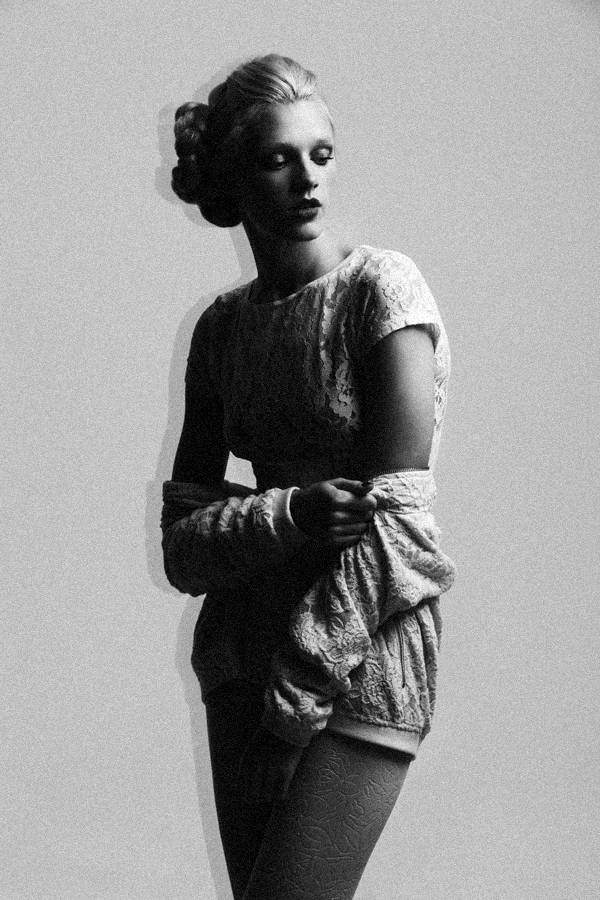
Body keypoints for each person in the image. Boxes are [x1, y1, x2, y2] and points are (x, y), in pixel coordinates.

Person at [161, 54, 456, 900]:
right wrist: (289, 516)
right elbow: (182, 549)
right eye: (277, 159)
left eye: (321, 154)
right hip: (239, 658)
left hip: (362, 656)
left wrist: (291, 716)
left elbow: (400, 531)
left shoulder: (381, 290)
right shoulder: (222, 332)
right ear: (233, 178)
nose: (307, 179)